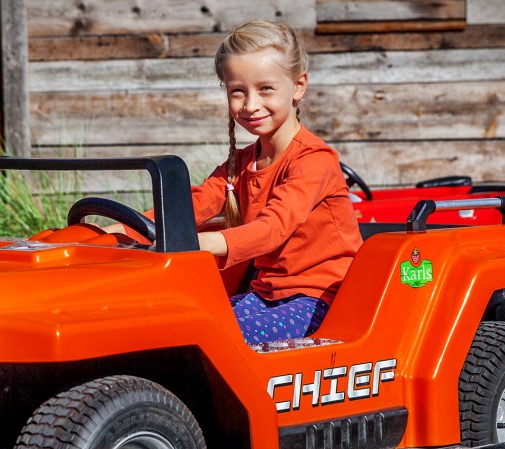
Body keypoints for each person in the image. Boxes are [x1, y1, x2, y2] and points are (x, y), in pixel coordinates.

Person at [108, 21, 362, 345]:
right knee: (178, 322)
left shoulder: (314, 160)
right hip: (266, 295)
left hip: (321, 300)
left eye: (265, 89)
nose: (251, 104)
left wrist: (200, 244)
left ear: (298, 86)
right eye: (238, 91)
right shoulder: (239, 165)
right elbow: (189, 208)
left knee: (213, 336)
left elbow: (272, 229)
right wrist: (119, 231)